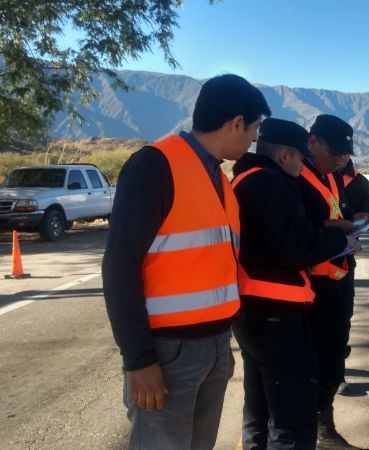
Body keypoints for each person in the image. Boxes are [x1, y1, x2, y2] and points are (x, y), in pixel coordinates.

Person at [102, 74, 270, 450]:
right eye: (254, 128)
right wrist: (139, 360)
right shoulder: (155, 165)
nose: (254, 139)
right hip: (165, 352)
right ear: (236, 123)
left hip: (209, 347)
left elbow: (210, 267)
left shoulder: (218, 179)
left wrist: (219, 343)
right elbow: (119, 267)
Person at [231, 118, 360, 450]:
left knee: (260, 405)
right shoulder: (271, 184)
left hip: (254, 308)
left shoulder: (249, 179)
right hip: (274, 312)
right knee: (293, 420)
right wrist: (334, 238)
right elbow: (295, 248)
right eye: (302, 158)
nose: (305, 165)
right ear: (285, 155)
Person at [297, 114, 367, 449]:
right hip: (311, 289)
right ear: (313, 142)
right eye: (335, 153)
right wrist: (336, 228)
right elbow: (298, 233)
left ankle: (323, 424)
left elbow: (336, 213)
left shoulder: (333, 176)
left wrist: (352, 222)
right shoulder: (295, 175)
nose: (341, 160)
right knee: (313, 364)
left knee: (333, 357)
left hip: (338, 279)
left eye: (345, 156)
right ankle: (316, 430)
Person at [337, 159, 369, 395]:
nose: (339, 159)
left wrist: (363, 219)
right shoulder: (311, 176)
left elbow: (367, 215)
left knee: (342, 319)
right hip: (312, 263)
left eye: (343, 155)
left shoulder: (360, 183)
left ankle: (338, 372)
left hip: (344, 261)